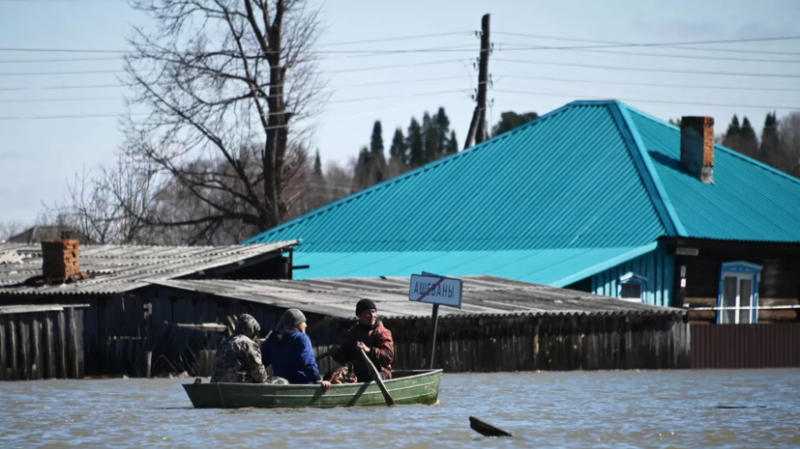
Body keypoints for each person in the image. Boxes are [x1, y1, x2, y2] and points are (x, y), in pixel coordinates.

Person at [261, 309, 331, 390]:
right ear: (297, 324)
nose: (306, 325)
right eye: (303, 322)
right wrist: (317, 379)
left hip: (280, 387)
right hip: (301, 387)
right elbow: (308, 361)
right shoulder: (301, 338)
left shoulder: (272, 339)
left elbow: (261, 363)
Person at [332, 299, 394, 382]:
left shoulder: (382, 332)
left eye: (373, 312)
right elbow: (348, 356)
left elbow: (388, 356)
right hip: (359, 373)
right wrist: (337, 353)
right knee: (334, 377)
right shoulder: (353, 333)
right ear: (360, 315)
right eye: (368, 313)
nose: (372, 315)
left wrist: (368, 350)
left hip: (380, 373)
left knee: (371, 378)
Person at [210, 314, 269, 384]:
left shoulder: (224, 343)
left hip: (218, 388)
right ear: (251, 330)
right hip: (239, 389)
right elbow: (259, 376)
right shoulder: (248, 343)